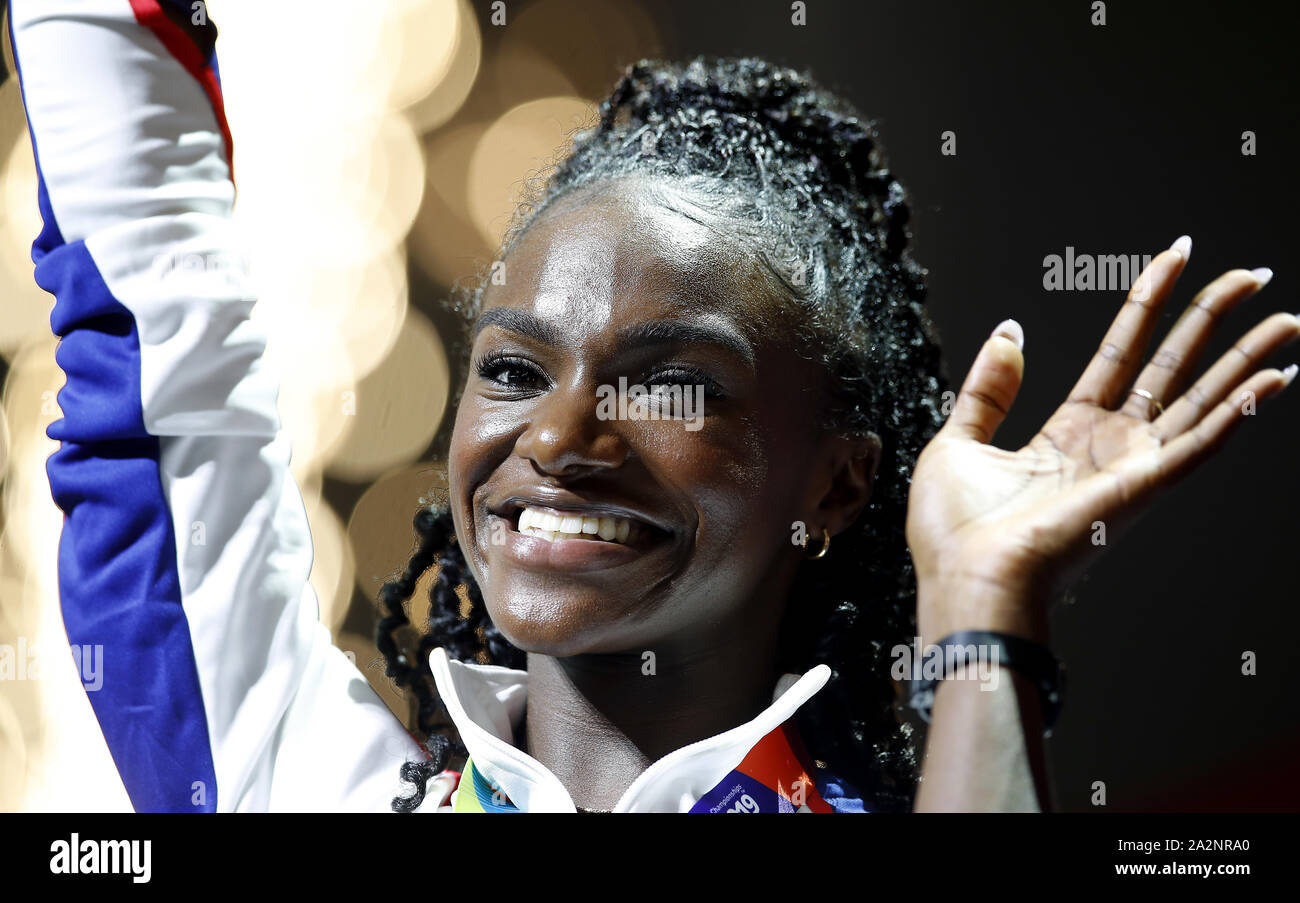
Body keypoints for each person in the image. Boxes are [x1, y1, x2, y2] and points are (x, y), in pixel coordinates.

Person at [9, 1, 1296, 813]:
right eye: (513, 370)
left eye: (668, 382)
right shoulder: (298, 784)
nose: (559, 442)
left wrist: (978, 607)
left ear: (838, 483)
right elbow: (153, 341)